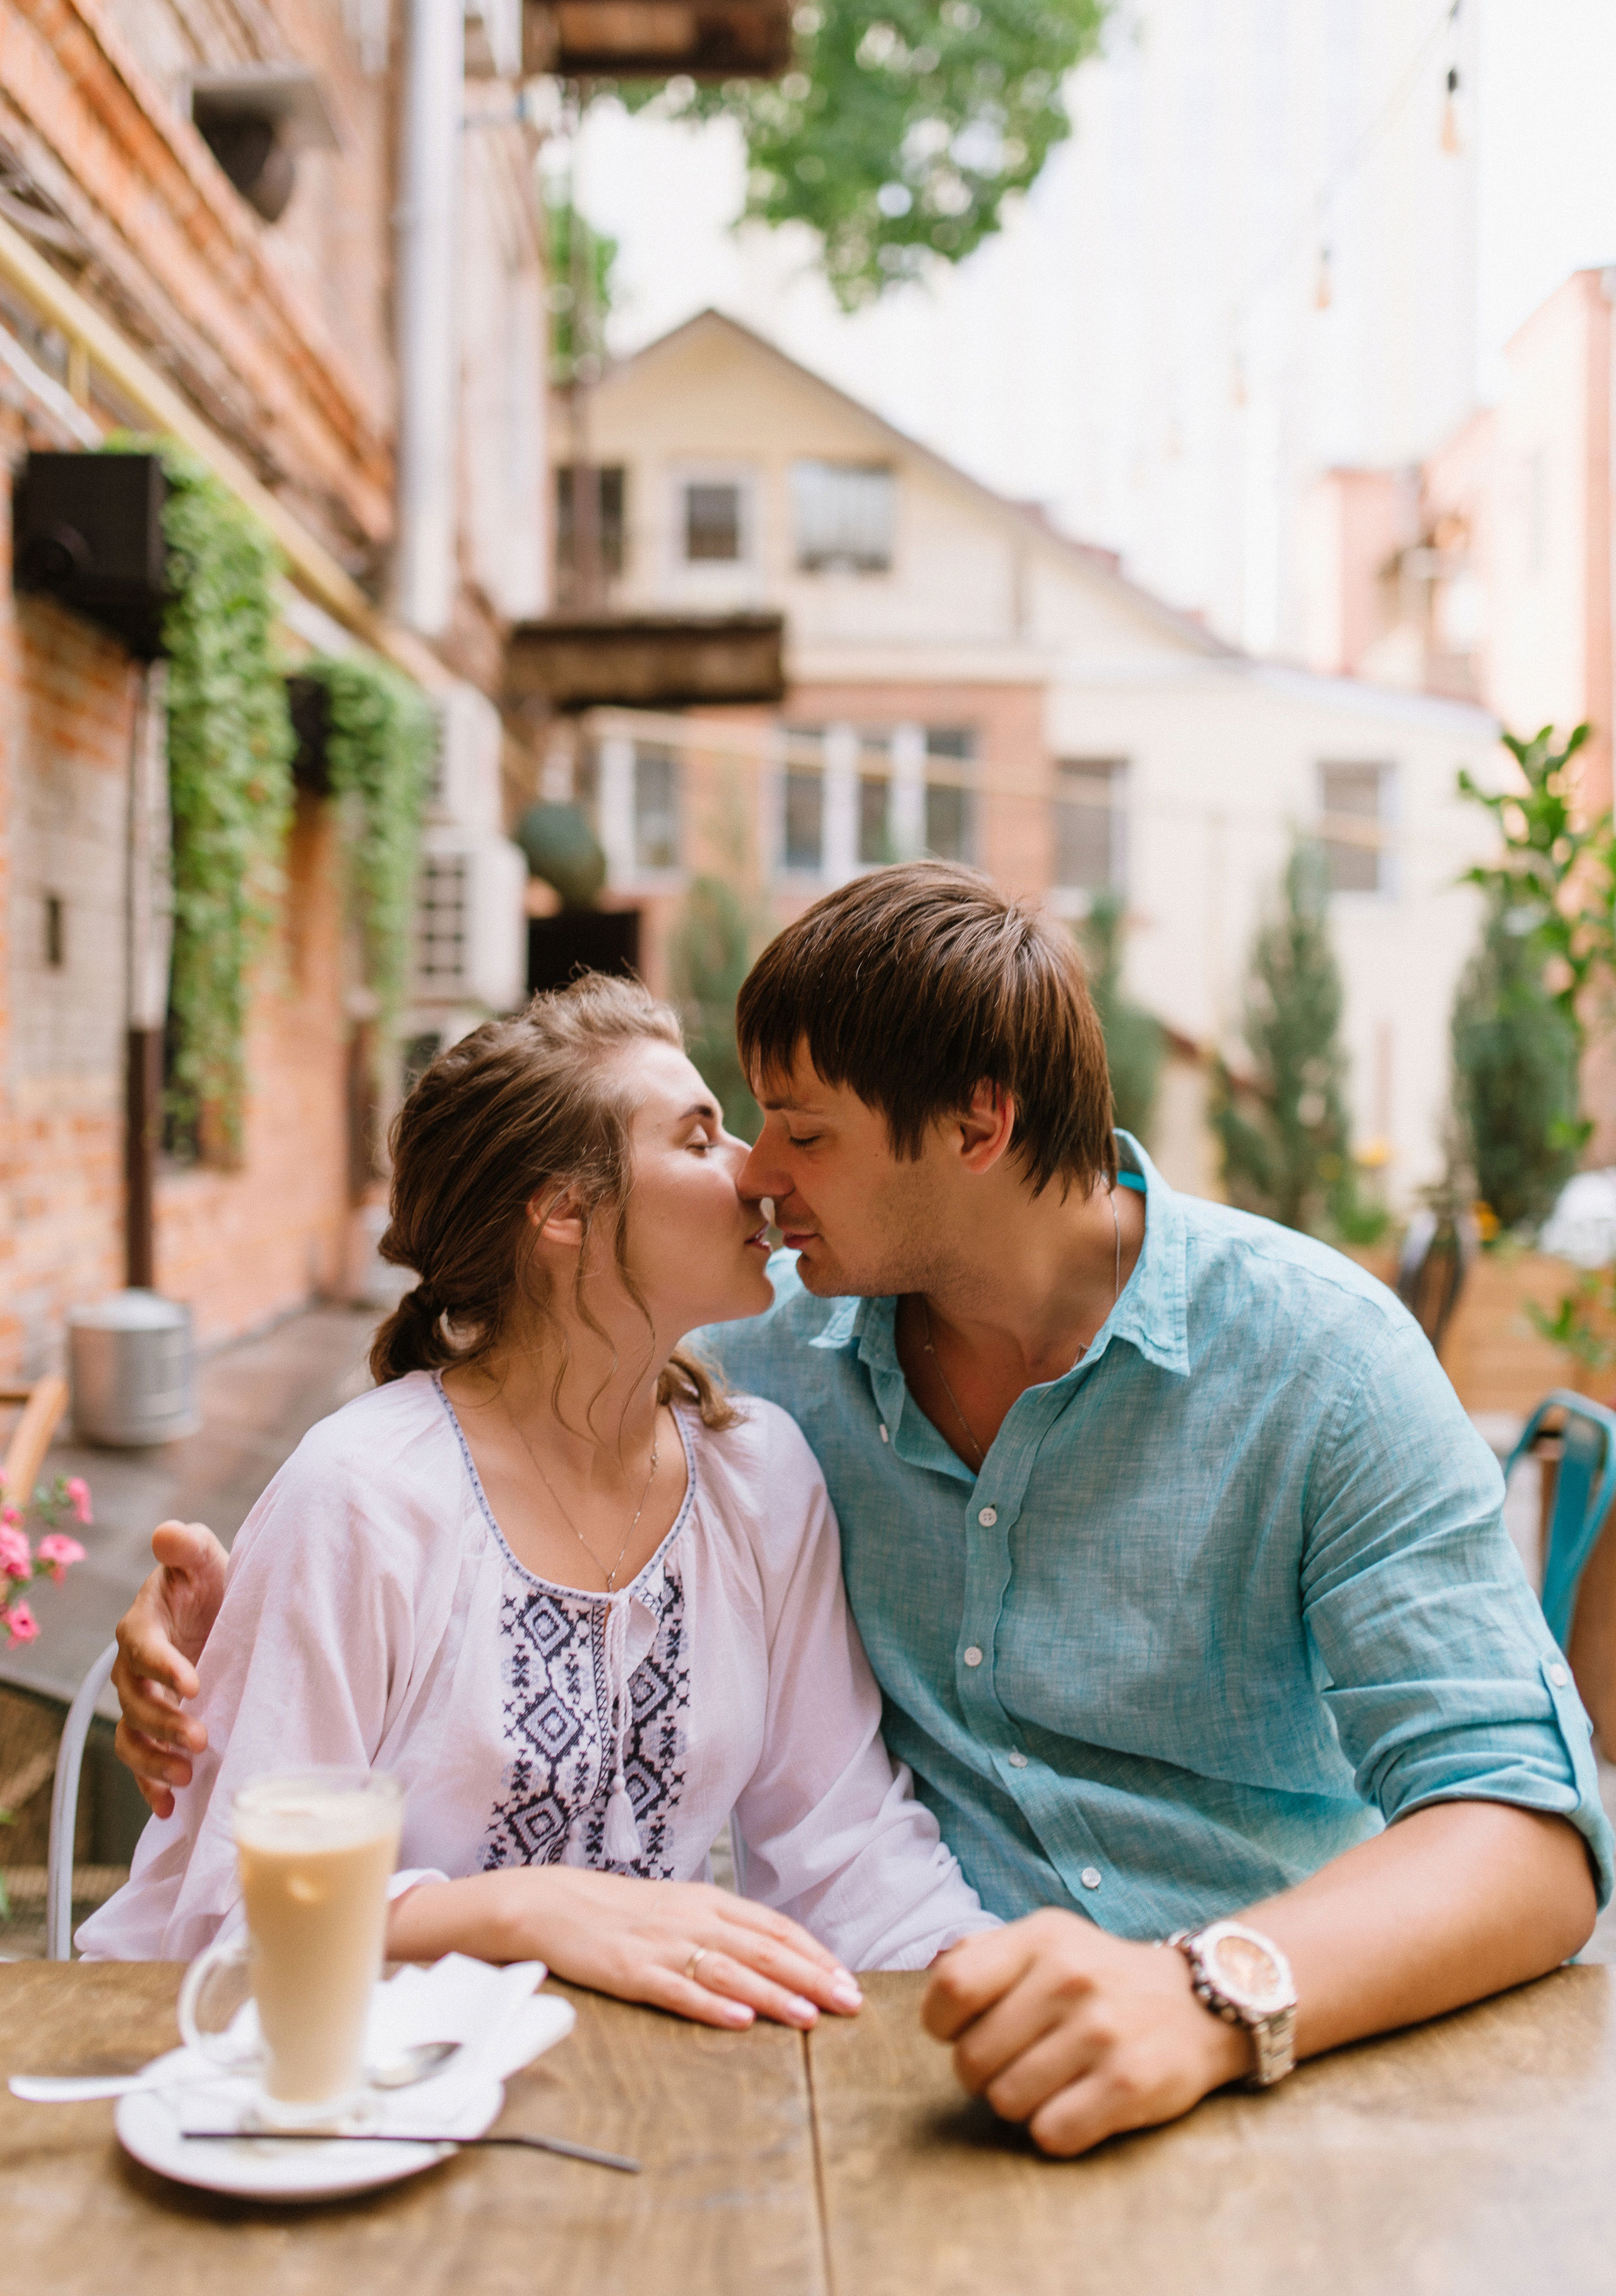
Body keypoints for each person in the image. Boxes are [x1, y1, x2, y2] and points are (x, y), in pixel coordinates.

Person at [111, 865, 1612, 2156]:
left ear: (974, 1127)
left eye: (796, 1131)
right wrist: (208, 1653)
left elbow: (1530, 1826)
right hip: (871, 2061)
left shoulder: (1318, 1364)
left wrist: (1200, 1994)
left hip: (1282, 2041)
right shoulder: (746, 1379)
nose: (760, 1181)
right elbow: (464, 1461)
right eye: (723, 1132)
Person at [80, 975, 994, 2030]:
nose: (759, 1175)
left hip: (615, 2095)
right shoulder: (364, 1498)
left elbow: (844, 1847)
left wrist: (987, 1972)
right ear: (564, 1211)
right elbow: (232, 1925)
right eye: (700, 1141)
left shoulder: (761, 1479)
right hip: (280, 2090)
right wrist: (521, 1910)